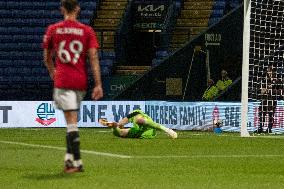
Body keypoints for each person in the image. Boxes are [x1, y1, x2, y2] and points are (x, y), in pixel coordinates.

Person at [42, 0, 103, 173]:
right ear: (77, 9)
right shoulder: (87, 31)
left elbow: (46, 56)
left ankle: (77, 162)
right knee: (72, 119)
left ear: (62, 9)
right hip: (80, 80)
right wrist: (98, 83)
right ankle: (69, 160)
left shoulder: (53, 29)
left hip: (63, 80)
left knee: (71, 122)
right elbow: (93, 59)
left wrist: (53, 71)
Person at [100, 109, 178, 139]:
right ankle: (114, 127)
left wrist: (116, 125)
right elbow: (120, 126)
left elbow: (122, 123)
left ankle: (168, 130)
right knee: (120, 133)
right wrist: (114, 126)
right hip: (142, 134)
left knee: (138, 120)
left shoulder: (136, 114)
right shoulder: (133, 124)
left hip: (148, 130)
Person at [256, 66, 281, 134]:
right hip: (264, 99)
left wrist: (270, 90)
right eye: (267, 71)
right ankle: (260, 128)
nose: (268, 73)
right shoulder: (264, 80)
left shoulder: (277, 81)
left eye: (270, 71)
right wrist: (261, 91)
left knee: (271, 114)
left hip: (272, 100)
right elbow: (259, 89)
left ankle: (269, 128)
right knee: (261, 113)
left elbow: (280, 91)